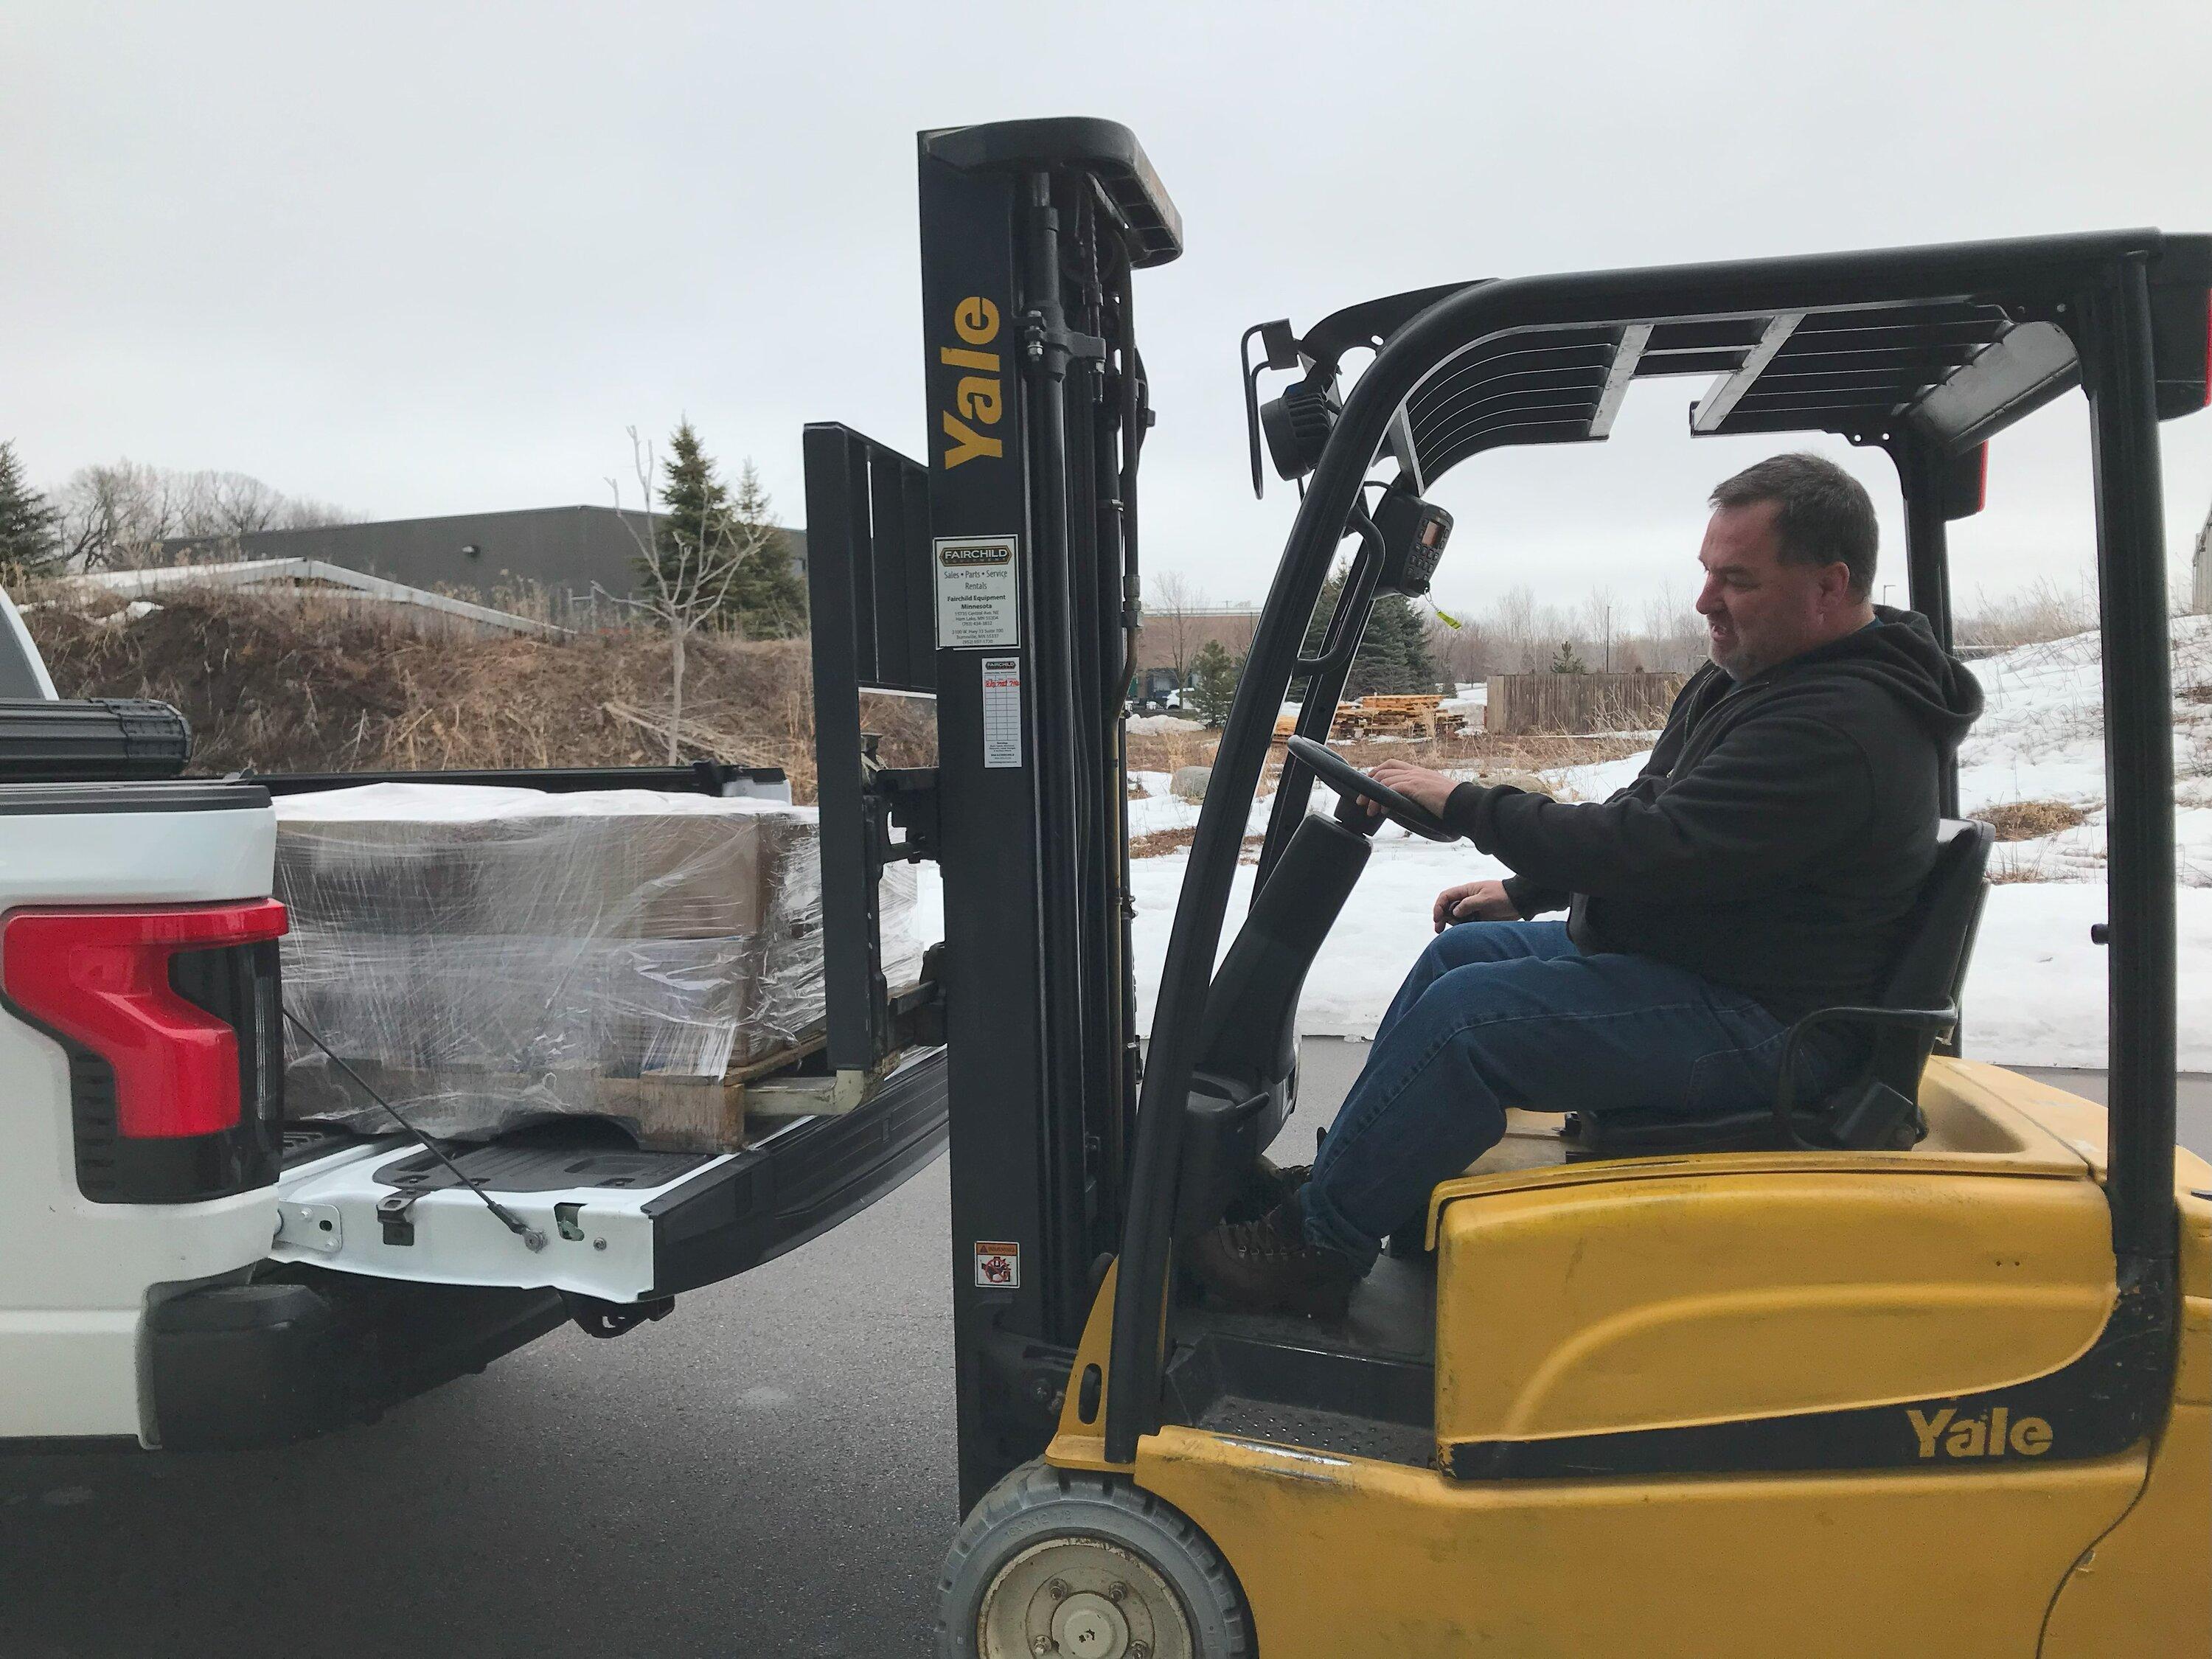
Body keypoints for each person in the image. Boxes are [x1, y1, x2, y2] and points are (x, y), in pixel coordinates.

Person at [1188, 452, 1983, 1317]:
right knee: (1462, 957)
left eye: (1738, 581)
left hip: (1774, 1022)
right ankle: (1358, 1182)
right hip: (1717, 956)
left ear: (1829, 588)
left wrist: (1463, 802)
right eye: (1708, 574)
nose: (1706, 602)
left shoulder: (1839, 726)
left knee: (1469, 1025)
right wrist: (1526, 892)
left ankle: (1314, 1250)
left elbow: (1655, 845)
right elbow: (1652, 809)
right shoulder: (1758, 681)